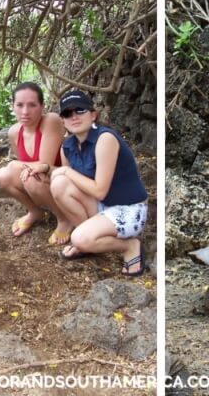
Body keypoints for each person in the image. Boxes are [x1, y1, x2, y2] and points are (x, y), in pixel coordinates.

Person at [49, 89, 149, 277]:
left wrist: (66, 171)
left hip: (128, 210)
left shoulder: (105, 139)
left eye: (80, 110)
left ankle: (129, 246)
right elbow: (71, 184)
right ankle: (87, 242)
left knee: (78, 236)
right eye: (67, 113)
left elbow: (100, 191)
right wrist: (61, 173)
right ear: (62, 120)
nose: (74, 117)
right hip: (102, 207)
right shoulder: (68, 146)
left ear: (93, 114)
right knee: (59, 184)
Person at [0, 82, 72, 243]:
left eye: (32, 105)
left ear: (42, 106)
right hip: (41, 181)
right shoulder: (14, 132)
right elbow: (23, 165)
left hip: (61, 178)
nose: (25, 111)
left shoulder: (51, 121)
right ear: (13, 106)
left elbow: (45, 164)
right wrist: (16, 167)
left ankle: (65, 218)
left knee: (31, 178)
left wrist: (16, 166)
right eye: (20, 105)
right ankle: (35, 211)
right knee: (3, 176)